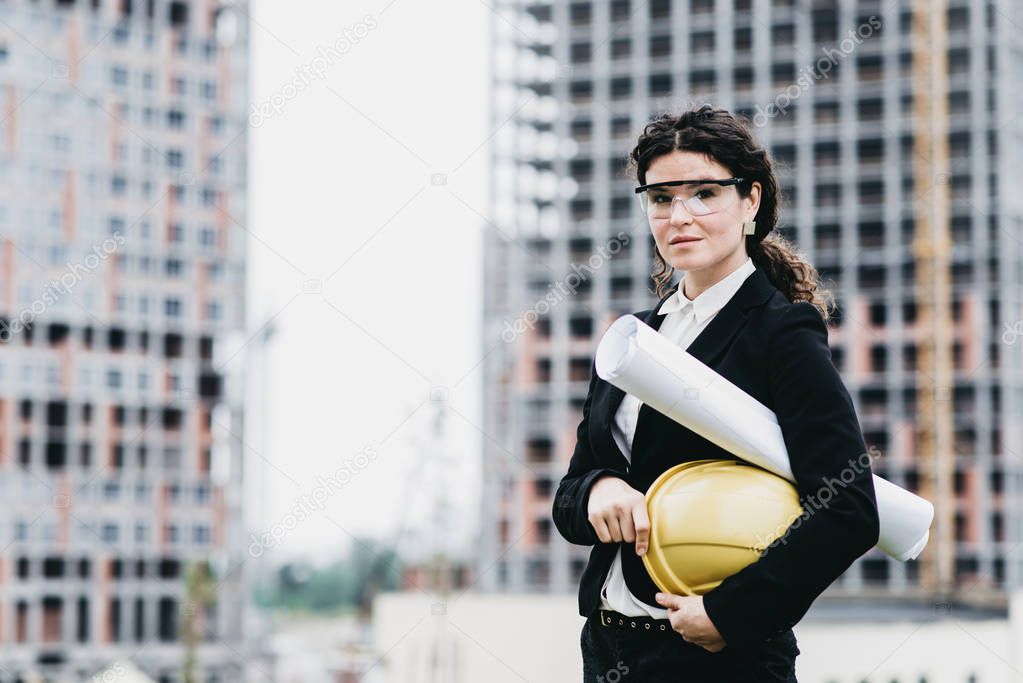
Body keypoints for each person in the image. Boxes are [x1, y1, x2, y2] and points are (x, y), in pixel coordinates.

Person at [551, 105, 881, 682]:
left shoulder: (783, 333)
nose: (680, 215)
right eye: (661, 198)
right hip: (609, 650)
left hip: (721, 661)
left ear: (750, 202)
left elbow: (848, 509)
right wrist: (597, 490)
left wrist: (731, 615)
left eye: (704, 193)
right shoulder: (632, 338)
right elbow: (570, 494)